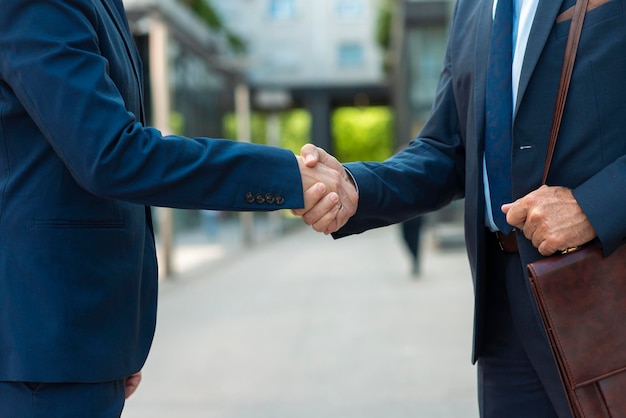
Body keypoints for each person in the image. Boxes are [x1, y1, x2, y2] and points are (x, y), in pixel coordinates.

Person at [0, 0, 349, 416]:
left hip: (81, 342)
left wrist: (119, 338)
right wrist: (285, 176)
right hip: (42, 343)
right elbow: (112, 154)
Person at [296, 0, 625, 416]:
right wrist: (355, 186)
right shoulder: (471, 8)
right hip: (504, 312)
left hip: (608, 286)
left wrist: (593, 206)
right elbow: (447, 148)